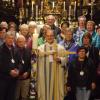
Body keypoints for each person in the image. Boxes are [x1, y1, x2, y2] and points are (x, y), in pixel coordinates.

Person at [37, 29, 66, 100]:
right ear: (45, 36)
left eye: (51, 36)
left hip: (57, 75)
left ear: (54, 36)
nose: (49, 37)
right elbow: (35, 62)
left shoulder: (60, 48)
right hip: (44, 75)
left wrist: (60, 60)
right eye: (48, 36)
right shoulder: (40, 48)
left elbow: (66, 59)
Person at [0, 32, 19, 100]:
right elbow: (1, 64)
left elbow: (18, 62)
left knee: (11, 97)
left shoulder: (15, 49)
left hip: (13, 80)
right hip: (3, 80)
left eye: (12, 38)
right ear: (5, 39)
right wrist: (9, 71)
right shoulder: (1, 49)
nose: (11, 40)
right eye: (9, 38)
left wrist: (17, 70)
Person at [15, 35, 31, 100]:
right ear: (16, 42)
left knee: (24, 97)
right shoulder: (13, 51)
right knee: (15, 97)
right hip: (16, 79)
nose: (21, 43)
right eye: (19, 42)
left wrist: (28, 72)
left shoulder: (28, 51)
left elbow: (31, 64)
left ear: (25, 42)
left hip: (26, 78)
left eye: (22, 42)